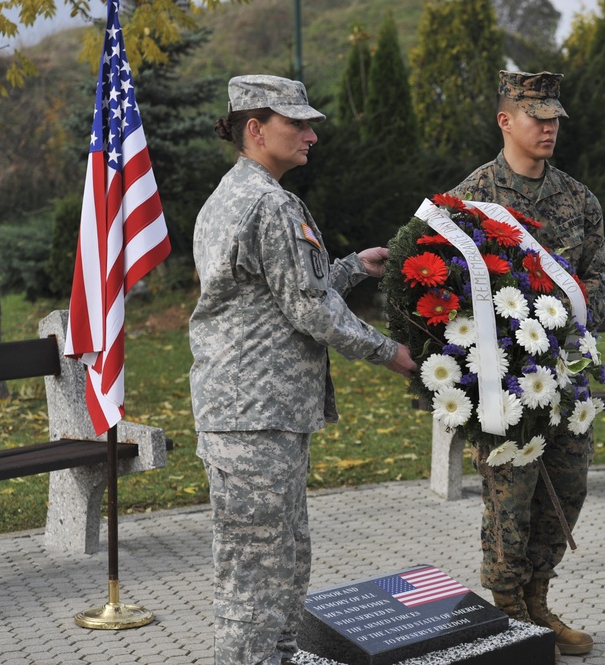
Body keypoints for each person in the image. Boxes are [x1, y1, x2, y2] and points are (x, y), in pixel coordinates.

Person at [189, 75, 416, 665]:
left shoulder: (237, 195)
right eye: (298, 124)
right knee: (257, 577)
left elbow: (282, 290)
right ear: (256, 129)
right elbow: (311, 310)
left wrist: (350, 268)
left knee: (283, 560)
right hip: (254, 419)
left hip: (257, 415)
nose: (312, 134)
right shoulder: (268, 203)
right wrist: (392, 353)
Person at [448, 70, 605, 656]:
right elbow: (448, 292)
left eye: (554, 118)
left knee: (566, 489)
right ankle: (509, 612)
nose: (548, 127)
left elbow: (597, 275)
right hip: (502, 381)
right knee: (508, 497)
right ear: (505, 120)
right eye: (536, 116)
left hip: (564, 374)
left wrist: (566, 329)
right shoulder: (470, 201)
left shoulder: (577, 199)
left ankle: (539, 600)